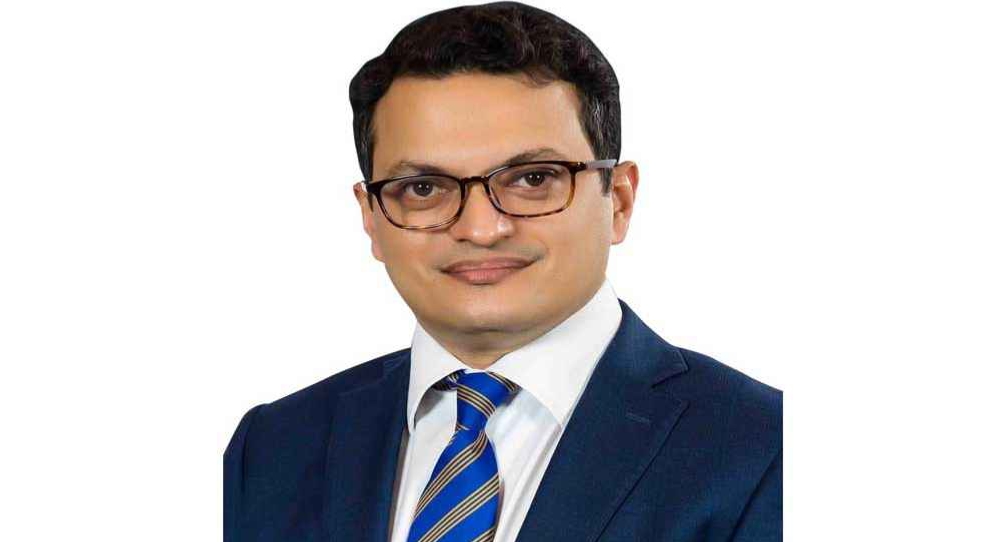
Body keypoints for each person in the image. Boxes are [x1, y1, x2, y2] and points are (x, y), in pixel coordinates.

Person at [223, 2, 782, 541]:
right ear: (371, 217)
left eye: (532, 179)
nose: (481, 229)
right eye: (424, 188)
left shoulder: (767, 450)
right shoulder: (270, 449)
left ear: (618, 200)